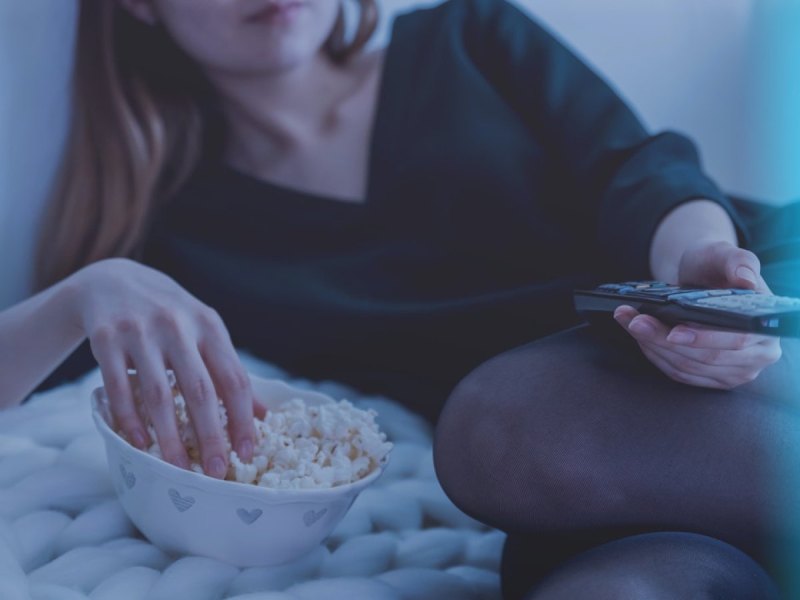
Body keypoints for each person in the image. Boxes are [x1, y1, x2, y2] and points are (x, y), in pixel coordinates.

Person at [2, 0, 798, 597]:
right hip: (573, 481)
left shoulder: (468, 38)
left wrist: (702, 270)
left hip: (739, 308)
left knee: (503, 420)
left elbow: (643, 169)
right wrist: (86, 291)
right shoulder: (182, 234)